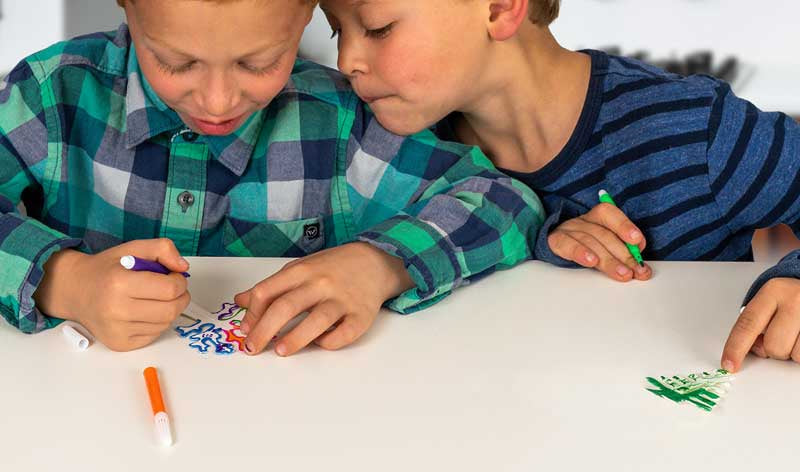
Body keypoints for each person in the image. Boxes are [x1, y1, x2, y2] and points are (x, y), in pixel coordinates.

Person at [0, 0, 544, 355]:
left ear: (306, 13)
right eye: (177, 63)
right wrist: (64, 282)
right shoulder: (52, 94)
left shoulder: (337, 122)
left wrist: (380, 265)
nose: (218, 101)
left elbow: (502, 200)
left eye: (257, 63)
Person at [319, 0, 800, 372]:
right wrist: (540, 238)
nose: (346, 60)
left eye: (378, 27)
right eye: (337, 30)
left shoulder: (691, 128)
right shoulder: (386, 154)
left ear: (499, 7)